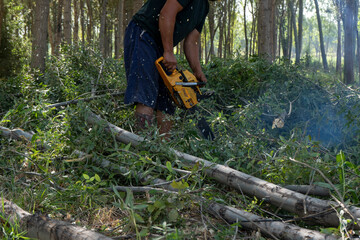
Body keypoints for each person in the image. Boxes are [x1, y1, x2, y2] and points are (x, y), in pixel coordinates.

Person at [124, 0, 213, 138]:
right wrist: (169, 51)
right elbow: (166, 14)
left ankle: (163, 149)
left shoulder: (204, 6)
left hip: (163, 43)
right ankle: (141, 148)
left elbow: (191, 41)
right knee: (145, 96)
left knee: (167, 101)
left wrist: (197, 70)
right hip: (144, 33)